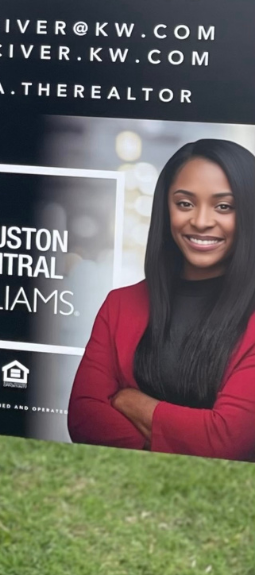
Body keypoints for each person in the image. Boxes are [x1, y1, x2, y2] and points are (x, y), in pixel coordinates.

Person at [68, 138, 255, 460]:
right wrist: (179, 440)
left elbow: (227, 441)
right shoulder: (120, 305)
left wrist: (133, 403)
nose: (200, 221)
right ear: (164, 207)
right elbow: (84, 417)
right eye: (184, 203)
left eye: (224, 206)